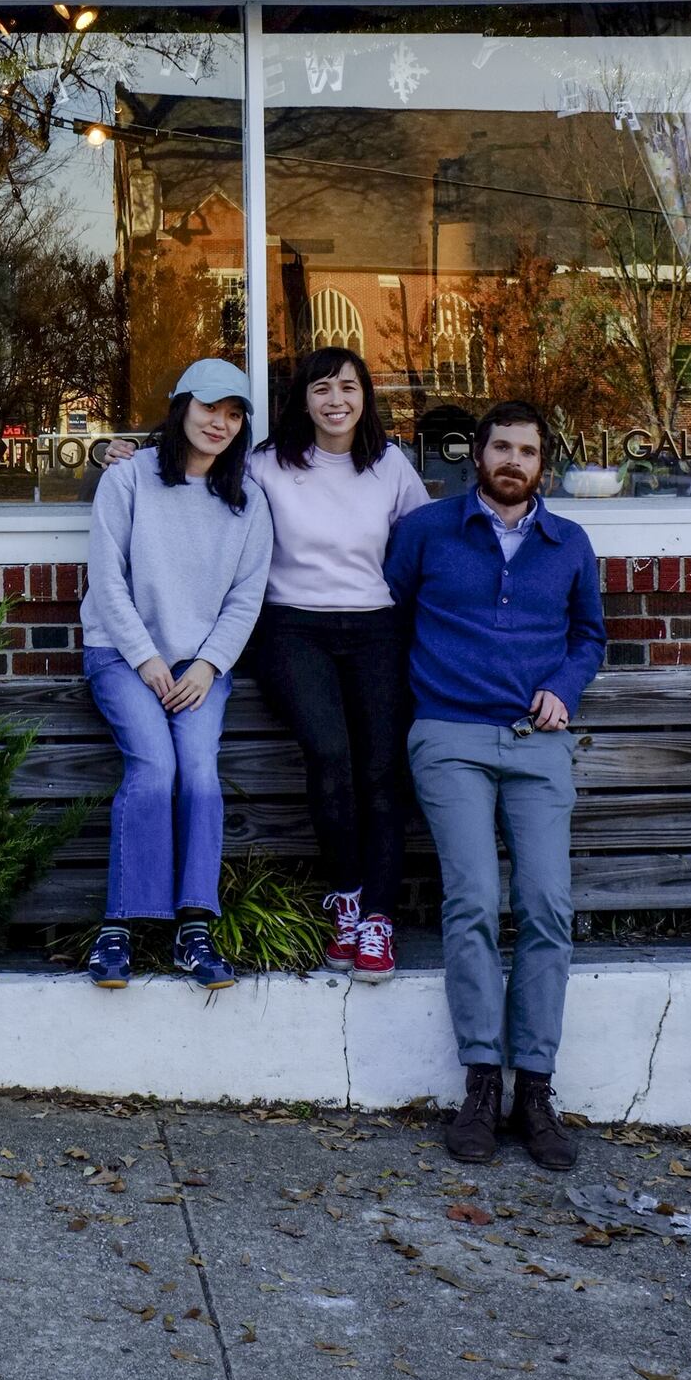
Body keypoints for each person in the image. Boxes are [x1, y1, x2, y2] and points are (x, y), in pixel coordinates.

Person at [384, 400, 606, 1172]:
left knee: (547, 902)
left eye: (529, 451)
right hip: (448, 735)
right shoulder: (426, 533)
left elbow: (590, 636)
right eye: (501, 447)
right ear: (475, 454)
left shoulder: (569, 543)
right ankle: (481, 1081)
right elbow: (390, 617)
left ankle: (535, 1091)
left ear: (545, 464)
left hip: (538, 739)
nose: (514, 461)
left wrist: (567, 687)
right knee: (473, 896)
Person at [79, 359, 273, 991]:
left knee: (198, 773)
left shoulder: (248, 499)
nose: (220, 422)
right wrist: (147, 659)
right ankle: (120, 927)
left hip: (199, 666)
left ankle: (194, 927)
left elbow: (246, 597)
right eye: (209, 407)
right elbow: (107, 580)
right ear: (182, 406)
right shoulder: (129, 478)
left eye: (234, 413)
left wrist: (209, 664)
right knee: (154, 769)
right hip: (122, 653)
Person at [246, 348, 430, 984]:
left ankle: (378, 917)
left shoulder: (389, 465)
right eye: (321, 389)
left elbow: (422, 541)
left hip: (377, 627)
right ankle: (347, 899)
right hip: (294, 626)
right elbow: (201, 485)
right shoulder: (266, 465)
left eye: (348, 388)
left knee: (382, 767)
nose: (335, 401)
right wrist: (124, 456)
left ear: (365, 397)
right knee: (331, 757)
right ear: (302, 398)